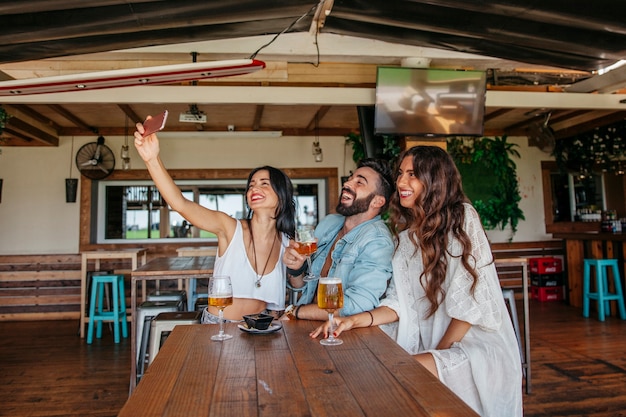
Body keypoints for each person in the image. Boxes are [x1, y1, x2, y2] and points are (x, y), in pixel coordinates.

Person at [311, 146, 523, 416]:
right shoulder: (405, 239)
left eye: (413, 174)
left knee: (391, 377)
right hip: (432, 344)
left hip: (472, 348)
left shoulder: (462, 218)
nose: (401, 182)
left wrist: (437, 356)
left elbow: (470, 305)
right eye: (400, 174)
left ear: (435, 179)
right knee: (366, 370)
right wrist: (353, 320)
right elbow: (398, 303)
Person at [134, 116, 296, 322]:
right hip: (220, 329)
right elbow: (180, 204)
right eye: (252, 184)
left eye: (264, 183)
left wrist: (298, 268)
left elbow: (298, 283)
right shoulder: (229, 227)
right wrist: (152, 159)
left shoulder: (287, 241)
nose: (254, 188)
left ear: (281, 195)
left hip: (264, 331)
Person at [283, 158, 394, 321]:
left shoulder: (377, 241)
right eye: (350, 179)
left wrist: (295, 312)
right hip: (309, 326)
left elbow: (358, 304)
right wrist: (295, 268)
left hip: (344, 336)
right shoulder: (329, 223)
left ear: (378, 201)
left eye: (359, 182)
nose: (347, 184)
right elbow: (304, 287)